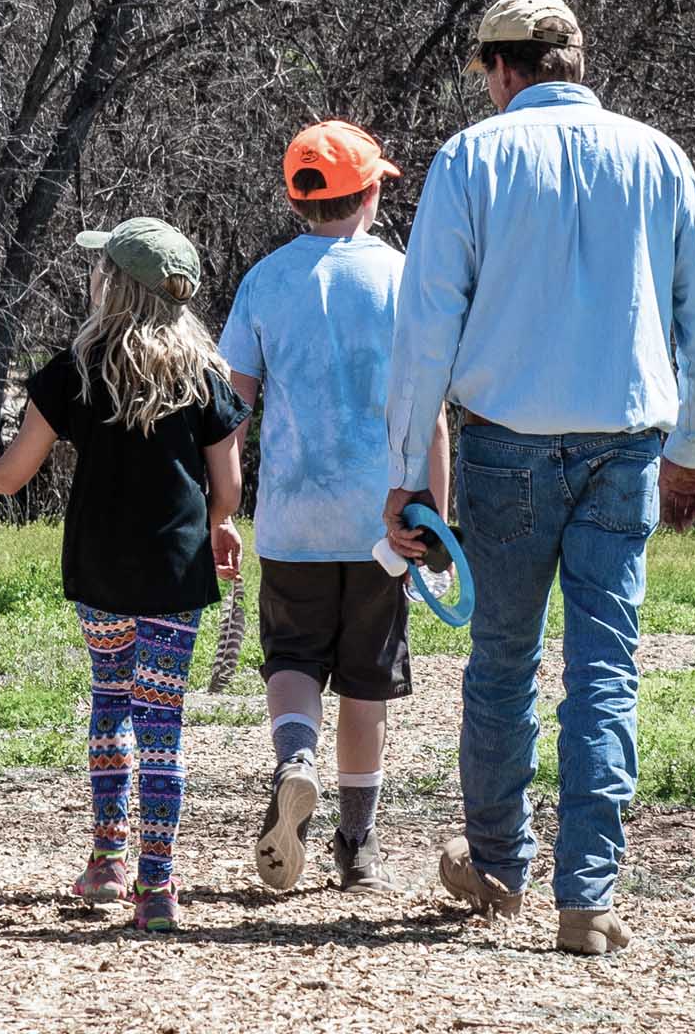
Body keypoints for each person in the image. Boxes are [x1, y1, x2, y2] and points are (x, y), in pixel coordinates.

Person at [382, 0, 695, 957]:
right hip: (628, 446)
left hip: (503, 444)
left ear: (504, 70)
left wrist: (408, 467)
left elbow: (424, 334)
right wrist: (693, 451)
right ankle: (590, 894)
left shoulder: (472, 159)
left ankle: (499, 865)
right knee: (606, 668)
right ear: (573, 62)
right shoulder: (659, 157)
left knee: (502, 662)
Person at [0, 217, 245, 934]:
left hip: (98, 567)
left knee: (110, 702)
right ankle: (157, 888)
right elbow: (227, 492)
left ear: (114, 286)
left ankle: (107, 861)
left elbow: (9, 477)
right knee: (163, 723)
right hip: (176, 571)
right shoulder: (205, 378)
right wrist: (218, 523)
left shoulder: (74, 371)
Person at [218, 119, 449, 895]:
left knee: (290, 661)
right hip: (385, 523)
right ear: (374, 190)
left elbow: (230, 410)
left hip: (291, 519)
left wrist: (223, 506)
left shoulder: (264, 281)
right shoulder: (401, 277)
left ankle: (295, 759)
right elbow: (432, 412)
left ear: (298, 201)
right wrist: (435, 519)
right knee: (366, 683)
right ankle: (357, 844)